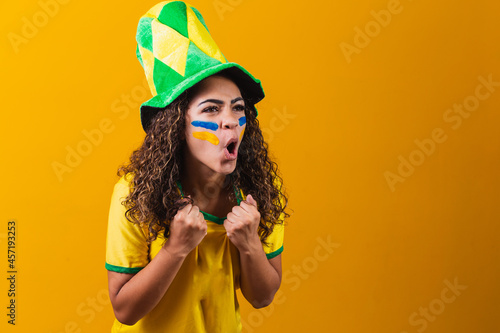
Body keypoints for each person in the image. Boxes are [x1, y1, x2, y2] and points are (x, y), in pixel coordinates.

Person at [105, 1, 289, 332]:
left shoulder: (257, 193)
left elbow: (262, 297)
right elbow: (124, 309)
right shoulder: (133, 192)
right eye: (211, 110)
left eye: (237, 108)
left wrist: (249, 243)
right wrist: (176, 248)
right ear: (177, 125)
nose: (230, 121)